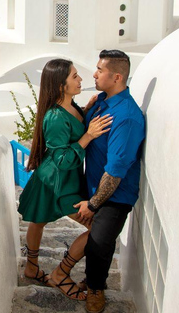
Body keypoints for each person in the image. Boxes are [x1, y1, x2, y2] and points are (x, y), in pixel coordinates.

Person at [17, 58, 113, 301]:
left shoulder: (71, 107)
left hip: (65, 179)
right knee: (96, 228)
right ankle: (61, 272)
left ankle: (32, 267)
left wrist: (87, 110)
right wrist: (88, 136)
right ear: (61, 85)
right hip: (55, 182)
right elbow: (61, 159)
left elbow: (74, 125)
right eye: (74, 76)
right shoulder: (55, 117)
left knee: (38, 222)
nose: (81, 79)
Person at [74, 50, 145, 313]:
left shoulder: (126, 117)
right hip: (92, 184)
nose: (93, 74)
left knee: (100, 243)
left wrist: (92, 205)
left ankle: (95, 287)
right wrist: (87, 108)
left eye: (99, 70)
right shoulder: (103, 100)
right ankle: (64, 270)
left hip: (115, 194)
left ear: (116, 77)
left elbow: (115, 173)